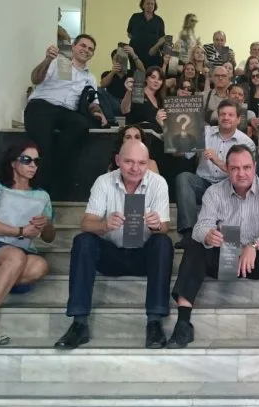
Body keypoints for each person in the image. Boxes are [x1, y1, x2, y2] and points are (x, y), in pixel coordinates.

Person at [167, 144, 259, 348]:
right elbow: (200, 227)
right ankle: (183, 324)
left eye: (247, 167)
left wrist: (254, 245)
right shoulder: (214, 192)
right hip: (225, 259)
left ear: (255, 167)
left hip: (256, 260)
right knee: (194, 245)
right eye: (235, 168)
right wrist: (208, 235)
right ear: (227, 169)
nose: (241, 173)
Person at [54, 141, 173, 350]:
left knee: (163, 242)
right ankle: (79, 323)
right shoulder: (103, 182)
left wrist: (156, 226)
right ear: (118, 160)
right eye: (128, 162)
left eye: (141, 163)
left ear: (148, 163)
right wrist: (104, 225)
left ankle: (154, 322)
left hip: (143, 257)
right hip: (111, 255)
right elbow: (86, 224)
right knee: (83, 241)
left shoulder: (158, 183)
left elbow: (164, 227)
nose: (135, 169)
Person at [0, 141, 54, 345]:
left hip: (24, 250)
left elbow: (49, 238)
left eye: (36, 161)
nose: (33, 165)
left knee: (40, 266)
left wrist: (46, 224)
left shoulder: (42, 195)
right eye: (26, 160)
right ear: (13, 162)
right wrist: (21, 231)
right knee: (15, 257)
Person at [24, 34, 106, 194]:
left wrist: (98, 113)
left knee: (81, 124)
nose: (86, 50)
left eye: (90, 49)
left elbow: (93, 102)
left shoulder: (90, 78)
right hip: (42, 105)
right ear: (74, 47)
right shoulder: (57, 63)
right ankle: (39, 189)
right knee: (42, 146)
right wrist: (47, 59)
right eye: (83, 46)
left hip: (67, 112)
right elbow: (35, 79)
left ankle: (55, 163)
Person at [174, 100, 255, 247]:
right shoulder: (205, 133)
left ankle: (234, 238)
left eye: (230, 115)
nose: (226, 117)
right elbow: (183, 154)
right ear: (217, 117)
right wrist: (168, 129)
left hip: (228, 187)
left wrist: (217, 161)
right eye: (222, 114)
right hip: (203, 183)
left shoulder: (246, 142)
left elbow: (245, 176)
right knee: (183, 178)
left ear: (238, 119)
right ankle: (188, 233)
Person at [98, 46, 146, 120]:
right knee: (99, 90)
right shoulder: (107, 73)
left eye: (121, 60)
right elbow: (103, 85)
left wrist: (133, 55)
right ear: (112, 61)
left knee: (140, 82)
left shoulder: (131, 73)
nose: (119, 62)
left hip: (128, 103)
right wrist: (113, 72)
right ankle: (111, 119)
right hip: (113, 103)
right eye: (116, 60)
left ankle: (137, 117)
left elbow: (142, 71)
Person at [120, 66, 167, 131]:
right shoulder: (138, 93)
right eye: (153, 77)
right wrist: (129, 91)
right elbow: (124, 109)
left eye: (160, 79)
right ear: (146, 79)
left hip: (156, 136)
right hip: (138, 134)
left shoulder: (161, 100)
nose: (156, 81)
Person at [126, 0, 165, 68]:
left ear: (154, 6)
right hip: (135, 53)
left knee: (151, 75)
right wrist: (139, 40)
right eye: (147, 3)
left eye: (152, 4)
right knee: (137, 76)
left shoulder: (159, 20)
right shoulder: (135, 17)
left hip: (152, 55)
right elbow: (129, 33)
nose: (150, 6)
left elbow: (162, 38)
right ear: (143, 5)